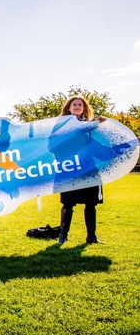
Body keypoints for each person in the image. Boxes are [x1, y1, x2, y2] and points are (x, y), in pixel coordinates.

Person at [57, 95, 106, 245]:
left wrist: (100, 124)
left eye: (80, 104)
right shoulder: (61, 127)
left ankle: (91, 236)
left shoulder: (91, 127)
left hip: (89, 169)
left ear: (84, 108)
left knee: (91, 203)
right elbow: (54, 147)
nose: (77, 106)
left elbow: (97, 146)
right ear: (68, 108)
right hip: (70, 169)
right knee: (68, 203)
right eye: (74, 104)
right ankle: (63, 236)